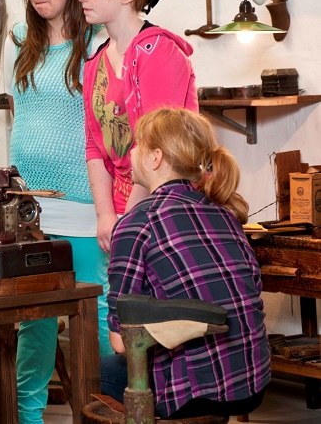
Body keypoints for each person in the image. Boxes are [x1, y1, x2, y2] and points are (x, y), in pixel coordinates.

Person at [103, 108, 270, 418]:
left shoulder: (137, 223)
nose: (131, 151)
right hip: (252, 383)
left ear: (155, 158)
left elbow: (122, 342)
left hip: (191, 395)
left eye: (137, 144)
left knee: (98, 369)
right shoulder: (223, 212)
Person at [8, 0, 110, 424]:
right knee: (35, 323)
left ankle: (106, 411)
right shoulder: (22, 46)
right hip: (30, 207)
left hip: (85, 204)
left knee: (98, 317)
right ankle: (28, 418)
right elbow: (22, 118)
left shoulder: (95, 46)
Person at [79, 0, 198, 253]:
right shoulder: (95, 63)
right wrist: (106, 215)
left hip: (164, 206)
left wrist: (131, 218)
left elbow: (154, 143)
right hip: (120, 206)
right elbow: (95, 144)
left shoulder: (158, 51)